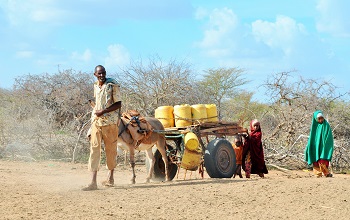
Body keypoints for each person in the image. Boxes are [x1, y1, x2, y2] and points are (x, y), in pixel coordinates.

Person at [83, 65, 122, 191]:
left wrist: (104, 111)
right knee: (94, 149)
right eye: (99, 73)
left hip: (110, 123)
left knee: (110, 150)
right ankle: (93, 182)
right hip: (96, 122)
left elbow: (118, 103)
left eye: (103, 73)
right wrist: (96, 112)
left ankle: (110, 177)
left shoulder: (112, 85)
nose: (102, 75)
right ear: (95, 74)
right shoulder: (95, 86)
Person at [305, 110, 334, 177]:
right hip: (315, 146)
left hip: (324, 146)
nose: (321, 120)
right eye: (319, 118)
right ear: (315, 118)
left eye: (322, 118)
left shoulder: (326, 125)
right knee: (315, 159)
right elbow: (312, 138)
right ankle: (317, 173)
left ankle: (326, 173)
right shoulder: (314, 126)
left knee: (323, 160)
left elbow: (329, 137)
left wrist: (326, 146)